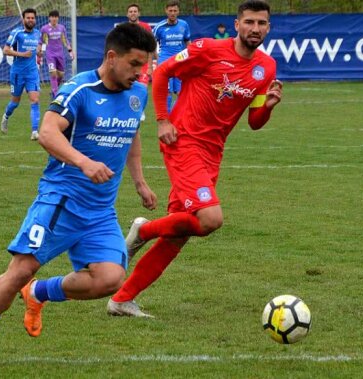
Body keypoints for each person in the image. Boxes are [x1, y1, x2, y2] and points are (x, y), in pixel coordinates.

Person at [0, 22, 157, 367]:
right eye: (135, 64)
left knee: (110, 279)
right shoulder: (80, 89)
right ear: (111, 57)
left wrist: (139, 182)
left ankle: (38, 292)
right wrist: (83, 162)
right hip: (60, 202)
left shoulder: (137, 93)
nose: (141, 72)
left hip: (101, 211)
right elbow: (47, 132)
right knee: (18, 270)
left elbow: (132, 135)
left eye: (145, 64)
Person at [107, 0, 283, 318]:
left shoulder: (266, 68)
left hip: (212, 153)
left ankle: (121, 299)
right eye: (250, 22)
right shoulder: (207, 49)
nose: (255, 29)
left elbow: (254, 122)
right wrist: (162, 120)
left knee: (180, 234)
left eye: (262, 24)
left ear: (268, 27)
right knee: (210, 219)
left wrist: (267, 105)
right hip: (183, 140)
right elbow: (162, 72)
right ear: (237, 24)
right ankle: (143, 231)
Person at [0, 8, 42, 141]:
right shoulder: (16, 32)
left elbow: (38, 48)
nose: (30, 20)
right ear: (23, 19)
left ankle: (35, 131)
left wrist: (39, 51)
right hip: (17, 72)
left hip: (32, 73)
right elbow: (5, 50)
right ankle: (6, 116)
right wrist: (22, 54)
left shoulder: (37, 33)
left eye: (32, 18)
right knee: (15, 102)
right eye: (28, 18)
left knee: (35, 99)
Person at [152, 0, 191, 113]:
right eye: (170, 10)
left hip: (180, 62)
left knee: (180, 92)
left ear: (178, 11)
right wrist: (157, 59)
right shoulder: (159, 27)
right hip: (165, 62)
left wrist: (190, 57)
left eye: (175, 10)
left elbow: (188, 42)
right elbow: (152, 45)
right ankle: (167, 117)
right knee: (167, 91)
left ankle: (175, 114)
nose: (172, 13)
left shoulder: (184, 25)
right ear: (166, 11)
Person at [126, 3, 155, 122]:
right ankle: (128, 111)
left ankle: (140, 111)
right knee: (127, 88)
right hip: (128, 64)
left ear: (139, 13)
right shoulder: (123, 28)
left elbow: (151, 47)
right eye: (131, 11)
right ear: (127, 14)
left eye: (135, 11)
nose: (133, 13)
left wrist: (149, 65)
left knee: (142, 89)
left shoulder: (145, 27)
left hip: (142, 64)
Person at [39, 10, 74, 99]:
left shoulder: (62, 28)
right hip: (50, 54)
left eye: (56, 17)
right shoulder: (45, 29)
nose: (54, 18)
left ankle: (54, 90)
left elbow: (65, 40)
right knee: (53, 74)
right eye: (52, 17)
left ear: (58, 18)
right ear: (49, 18)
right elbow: (42, 42)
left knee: (61, 75)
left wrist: (70, 51)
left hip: (60, 54)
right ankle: (55, 94)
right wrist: (40, 54)